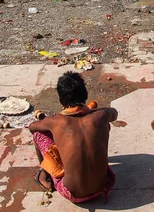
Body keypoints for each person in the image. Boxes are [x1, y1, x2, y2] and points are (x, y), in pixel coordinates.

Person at [29, 71, 118, 203]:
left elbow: (32, 127)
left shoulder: (55, 121)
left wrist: (50, 124)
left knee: (39, 135)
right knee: (105, 126)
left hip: (72, 193)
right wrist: (93, 111)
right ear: (85, 95)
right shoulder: (102, 115)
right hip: (102, 186)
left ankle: (45, 174)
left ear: (61, 101)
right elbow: (114, 113)